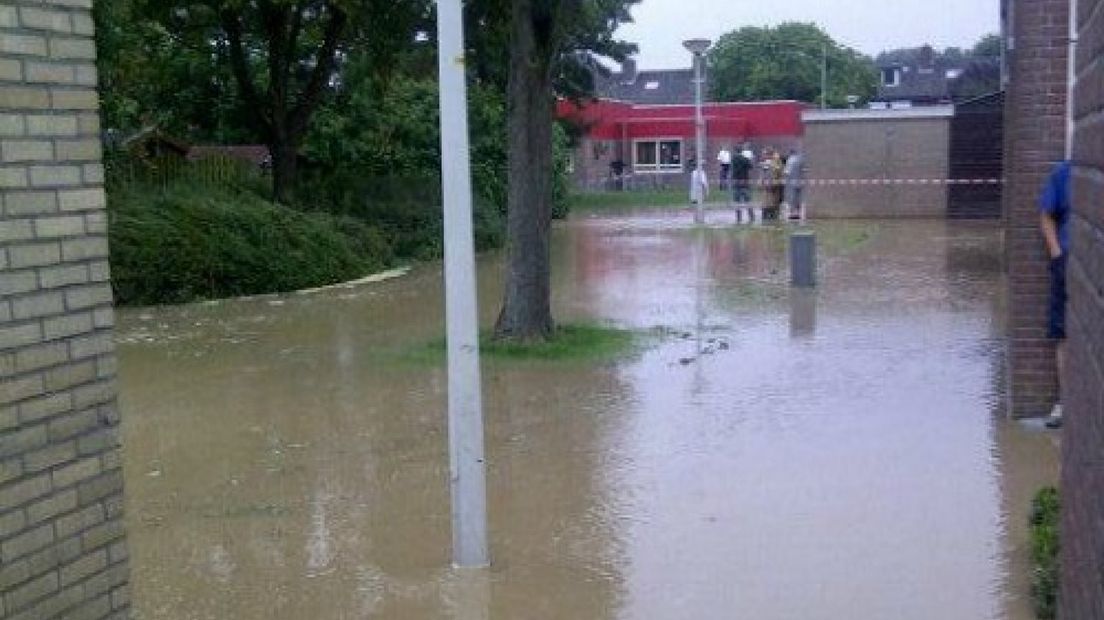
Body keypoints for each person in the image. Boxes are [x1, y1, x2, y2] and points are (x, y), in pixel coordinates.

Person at [1039, 160, 1071, 429]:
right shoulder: (1064, 173)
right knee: (1063, 334)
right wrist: (1057, 254)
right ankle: (1064, 403)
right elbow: (1046, 215)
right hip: (1069, 264)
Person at [783, 149, 806, 220]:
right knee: (799, 198)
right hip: (800, 182)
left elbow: (787, 172)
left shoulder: (790, 160)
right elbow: (804, 170)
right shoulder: (800, 159)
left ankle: (793, 213)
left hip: (791, 182)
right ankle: (798, 212)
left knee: (792, 198)